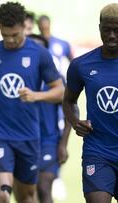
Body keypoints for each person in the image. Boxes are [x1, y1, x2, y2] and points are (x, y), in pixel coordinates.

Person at [0, 2, 64, 203]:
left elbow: (60, 91)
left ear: (24, 26)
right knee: (3, 195)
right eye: (6, 35)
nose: (11, 40)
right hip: (0, 133)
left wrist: (36, 95)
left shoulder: (39, 53)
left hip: (29, 135)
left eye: (15, 35)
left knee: (26, 196)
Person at [63, 3, 118, 203]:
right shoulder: (81, 65)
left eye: (117, 30)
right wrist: (75, 121)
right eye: (107, 30)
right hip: (98, 151)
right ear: (99, 28)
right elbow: (68, 101)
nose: (111, 35)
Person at [28, 34, 72, 203]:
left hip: (49, 141)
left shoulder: (56, 80)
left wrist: (63, 143)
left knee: (44, 186)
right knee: (27, 192)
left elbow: (70, 110)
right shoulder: (17, 79)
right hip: (23, 141)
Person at [37, 14, 73, 79]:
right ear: (38, 26)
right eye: (42, 27)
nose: (44, 29)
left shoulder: (62, 43)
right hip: (41, 80)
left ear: (49, 25)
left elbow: (73, 62)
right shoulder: (35, 43)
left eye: (46, 27)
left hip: (58, 79)